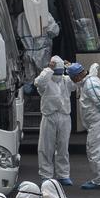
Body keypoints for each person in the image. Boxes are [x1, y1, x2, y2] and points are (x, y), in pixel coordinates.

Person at [67, 62, 100, 189]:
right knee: (95, 148)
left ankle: (99, 180)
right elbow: (94, 67)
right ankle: (99, 178)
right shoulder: (88, 80)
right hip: (96, 121)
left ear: (77, 77)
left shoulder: (90, 86)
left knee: (95, 150)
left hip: (98, 121)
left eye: (72, 78)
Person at [34, 55, 76, 185]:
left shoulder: (66, 80)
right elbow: (38, 82)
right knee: (46, 147)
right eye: (56, 72)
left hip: (64, 116)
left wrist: (71, 67)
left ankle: (63, 174)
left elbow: (78, 81)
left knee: (63, 146)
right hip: (49, 116)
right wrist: (48, 70)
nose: (58, 75)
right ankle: (46, 175)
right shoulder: (46, 81)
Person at [15, 11, 59, 88]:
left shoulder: (20, 17)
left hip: (27, 54)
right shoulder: (44, 14)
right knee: (43, 80)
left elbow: (15, 34)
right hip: (42, 54)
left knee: (29, 81)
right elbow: (54, 32)